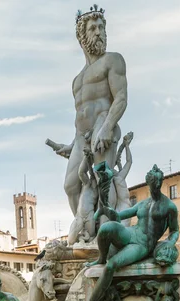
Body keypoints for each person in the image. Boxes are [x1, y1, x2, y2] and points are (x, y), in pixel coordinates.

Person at [47, 5, 128, 217]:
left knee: (103, 179)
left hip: (103, 125)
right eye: (93, 28)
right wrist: (71, 145)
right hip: (81, 137)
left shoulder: (113, 60)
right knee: (71, 186)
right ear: (82, 36)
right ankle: (84, 231)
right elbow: (80, 118)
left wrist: (108, 127)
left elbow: (120, 97)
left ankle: (106, 232)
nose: (99, 32)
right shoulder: (77, 81)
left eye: (101, 27)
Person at [73, 165, 179, 301]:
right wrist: (106, 208)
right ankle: (101, 258)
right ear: (149, 184)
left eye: (156, 183)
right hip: (131, 233)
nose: (154, 187)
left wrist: (170, 243)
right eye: (151, 184)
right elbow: (119, 216)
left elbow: (174, 230)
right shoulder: (143, 204)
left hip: (143, 244)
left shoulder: (169, 207)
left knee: (112, 265)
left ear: (160, 183)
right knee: (107, 227)